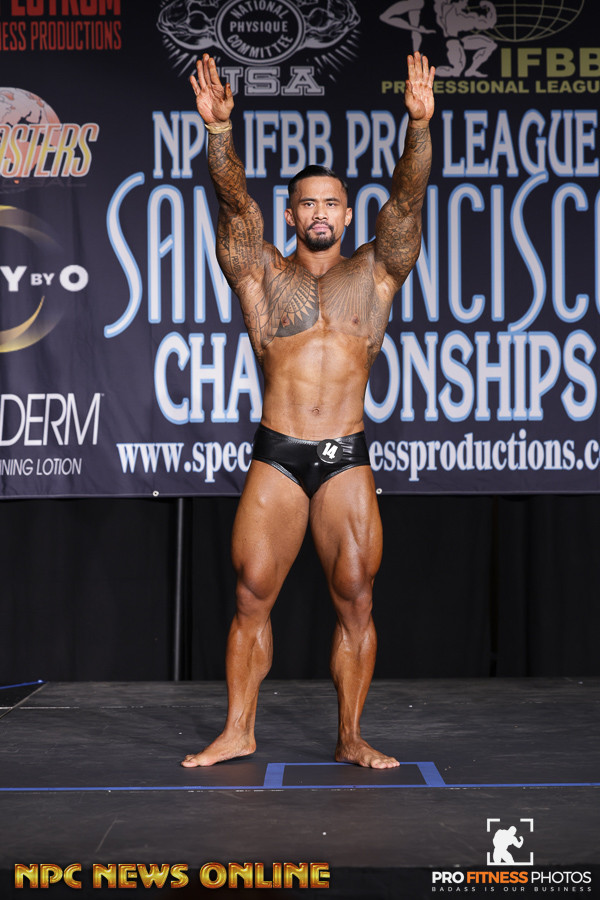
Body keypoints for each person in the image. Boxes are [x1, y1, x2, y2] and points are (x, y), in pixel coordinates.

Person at [182, 51, 435, 770]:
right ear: (291, 214)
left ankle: (351, 735)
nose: (320, 213)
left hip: (345, 455)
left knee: (356, 597)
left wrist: (419, 128)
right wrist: (220, 133)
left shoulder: (377, 272)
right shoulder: (260, 273)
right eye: (308, 204)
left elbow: (408, 201)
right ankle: (238, 730)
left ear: (348, 213)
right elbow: (235, 204)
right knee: (251, 595)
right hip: (280, 452)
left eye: (332, 203)